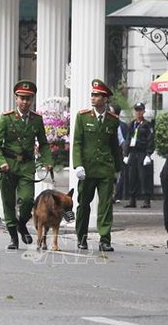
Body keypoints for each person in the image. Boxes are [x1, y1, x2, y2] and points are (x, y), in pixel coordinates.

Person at [0, 80, 53, 250]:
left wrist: (48, 161)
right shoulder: (6, 118)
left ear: (32, 100)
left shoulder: (36, 120)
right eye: (22, 98)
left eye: (28, 99)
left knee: (27, 200)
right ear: (16, 98)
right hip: (8, 165)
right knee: (8, 202)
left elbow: (44, 143)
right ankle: (13, 237)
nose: (25, 102)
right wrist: (1, 162)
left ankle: (21, 223)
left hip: (26, 165)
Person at [73, 79, 122, 252]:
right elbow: (77, 143)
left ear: (105, 99)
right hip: (87, 169)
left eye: (97, 95)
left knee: (105, 205)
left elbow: (114, 145)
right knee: (83, 204)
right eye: (92, 95)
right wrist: (78, 165)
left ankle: (105, 239)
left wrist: (117, 169)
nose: (93, 98)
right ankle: (82, 237)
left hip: (105, 169)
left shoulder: (112, 120)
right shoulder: (83, 116)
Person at [123, 102, 155, 208]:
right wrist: (126, 154)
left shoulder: (147, 125)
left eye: (140, 110)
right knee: (132, 176)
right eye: (136, 110)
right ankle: (132, 199)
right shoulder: (132, 124)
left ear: (143, 111)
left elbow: (150, 140)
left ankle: (146, 199)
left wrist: (148, 154)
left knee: (144, 176)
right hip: (133, 152)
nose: (138, 113)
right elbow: (128, 139)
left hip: (142, 152)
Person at [110, 104, 128, 204]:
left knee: (116, 176)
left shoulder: (119, 125)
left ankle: (115, 194)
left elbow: (122, 142)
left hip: (116, 154)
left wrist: (125, 154)